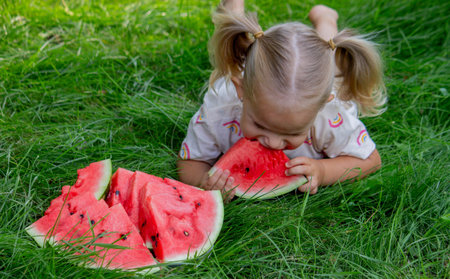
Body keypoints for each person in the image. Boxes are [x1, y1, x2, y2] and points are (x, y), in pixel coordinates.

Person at [177, 0, 386, 199]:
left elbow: (370, 160)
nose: (273, 143)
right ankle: (233, 8)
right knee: (235, 37)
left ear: (322, 106)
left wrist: (323, 171)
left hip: (313, 85)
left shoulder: (330, 117)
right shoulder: (220, 109)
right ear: (241, 91)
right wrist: (204, 181)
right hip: (255, 80)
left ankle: (326, 20)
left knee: (330, 53)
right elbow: (190, 160)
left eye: (293, 133)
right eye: (259, 124)